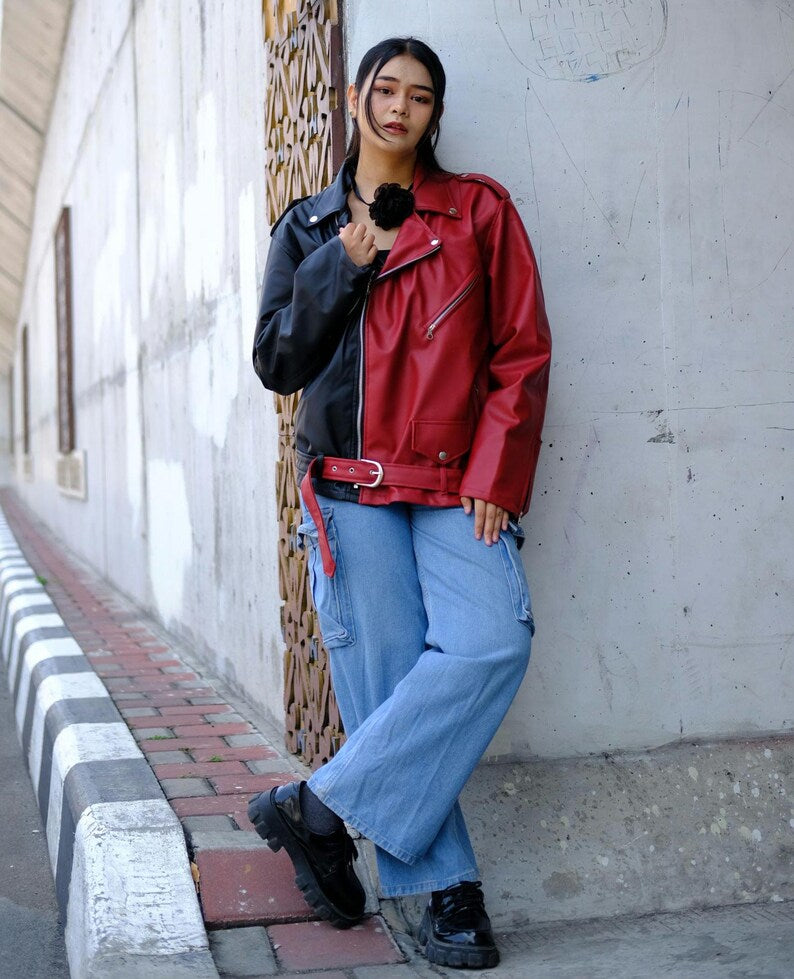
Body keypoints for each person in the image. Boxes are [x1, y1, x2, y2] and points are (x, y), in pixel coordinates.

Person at [248, 36, 551, 970]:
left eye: (420, 96)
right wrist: (347, 257)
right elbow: (278, 363)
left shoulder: (478, 212)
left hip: (458, 485)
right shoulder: (306, 228)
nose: (400, 107)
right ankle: (446, 889)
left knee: (494, 638)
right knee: (385, 691)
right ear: (353, 99)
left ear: (434, 114)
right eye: (386, 89)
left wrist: (498, 475)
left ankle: (321, 807)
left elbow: (520, 349)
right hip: (350, 491)